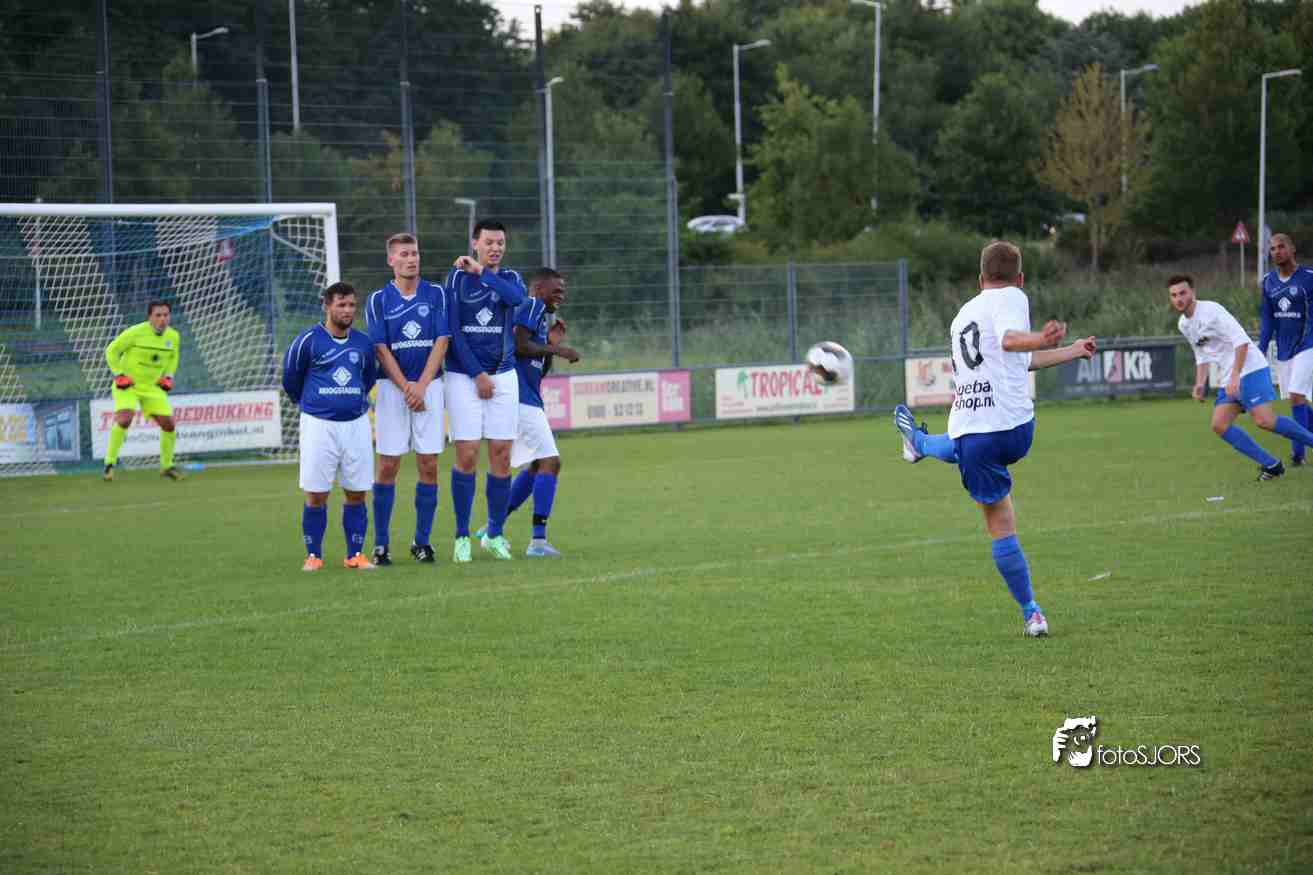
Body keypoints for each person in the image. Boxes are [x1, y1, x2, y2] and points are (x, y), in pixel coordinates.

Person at [892, 241, 1097, 638]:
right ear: (1019, 278)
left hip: (975, 433)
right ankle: (918, 443)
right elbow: (1010, 341)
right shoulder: (1014, 296)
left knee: (999, 521)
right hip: (1016, 431)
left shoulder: (962, 315)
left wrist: (1069, 350)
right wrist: (1042, 338)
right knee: (966, 453)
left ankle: (1032, 614)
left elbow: (1017, 354)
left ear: (980, 278)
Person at [475, 268, 580, 557]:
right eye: (556, 290)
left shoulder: (540, 318)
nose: (561, 295)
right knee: (551, 462)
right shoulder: (531, 305)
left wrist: (551, 345)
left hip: (527, 396)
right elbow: (520, 345)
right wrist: (558, 350)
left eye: (563, 291)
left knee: (536, 466)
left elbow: (537, 367)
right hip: (520, 398)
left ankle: (492, 527)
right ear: (538, 289)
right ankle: (537, 542)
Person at [1170, 273, 1313, 480]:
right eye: (1174, 295)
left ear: (1193, 292)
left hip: (1249, 368)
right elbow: (1201, 353)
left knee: (1264, 420)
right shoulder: (1184, 324)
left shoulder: (1211, 311)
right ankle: (1272, 465)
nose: (1179, 299)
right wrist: (1200, 383)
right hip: (1230, 376)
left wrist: (1235, 376)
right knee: (1219, 424)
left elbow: (1241, 341)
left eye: (1182, 293)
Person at [443, 220, 529, 562]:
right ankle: (461, 536)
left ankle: (494, 533)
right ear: (475, 243)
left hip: (504, 376)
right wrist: (476, 374)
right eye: (489, 242)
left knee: (502, 456)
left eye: (500, 243)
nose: (495, 248)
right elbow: (452, 331)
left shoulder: (510, 278)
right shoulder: (455, 279)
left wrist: (482, 272)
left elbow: (516, 299)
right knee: (466, 455)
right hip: (463, 377)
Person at [365, 233, 451, 565]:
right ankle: (381, 544)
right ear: (391, 260)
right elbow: (380, 348)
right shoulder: (378, 300)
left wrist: (422, 385)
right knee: (388, 465)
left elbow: (442, 340)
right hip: (391, 389)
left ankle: (422, 542)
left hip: (430, 386)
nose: (411, 259)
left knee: (428, 464)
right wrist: (406, 388)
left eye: (415, 253)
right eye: (404, 254)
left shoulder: (436, 294)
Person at [282, 281, 379, 572]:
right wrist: (316, 404)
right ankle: (313, 556)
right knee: (316, 493)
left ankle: (355, 555)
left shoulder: (363, 344)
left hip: (356, 424)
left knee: (357, 491)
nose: (347, 310)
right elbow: (291, 380)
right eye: (341, 304)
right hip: (318, 424)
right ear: (327, 306)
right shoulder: (307, 341)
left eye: (351, 305)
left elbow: (368, 379)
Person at [102, 299, 184, 481]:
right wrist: (119, 374)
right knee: (125, 418)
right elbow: (111, 351)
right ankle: (109, 464)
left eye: (166, 315)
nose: (162, 319)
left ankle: (167, 466)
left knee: (169, 424)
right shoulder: (135, 332)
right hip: (128, 385)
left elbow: (173, 358)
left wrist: (168, 376)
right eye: (158, 315)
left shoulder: (173, 336)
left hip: (152, 387)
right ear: (149, 317)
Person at [1258, 233, 1313, 467]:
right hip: (1284, 350)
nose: (1277, 252)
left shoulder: (1309, 277)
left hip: (1308, 345)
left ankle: (1298, 455)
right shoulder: (1268, 282)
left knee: (1296, 396)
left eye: (1281, 247)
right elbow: (1267, 320)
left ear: (1292, 249)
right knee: (1296, 399)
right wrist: (1260, 349)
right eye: (1272, 248)